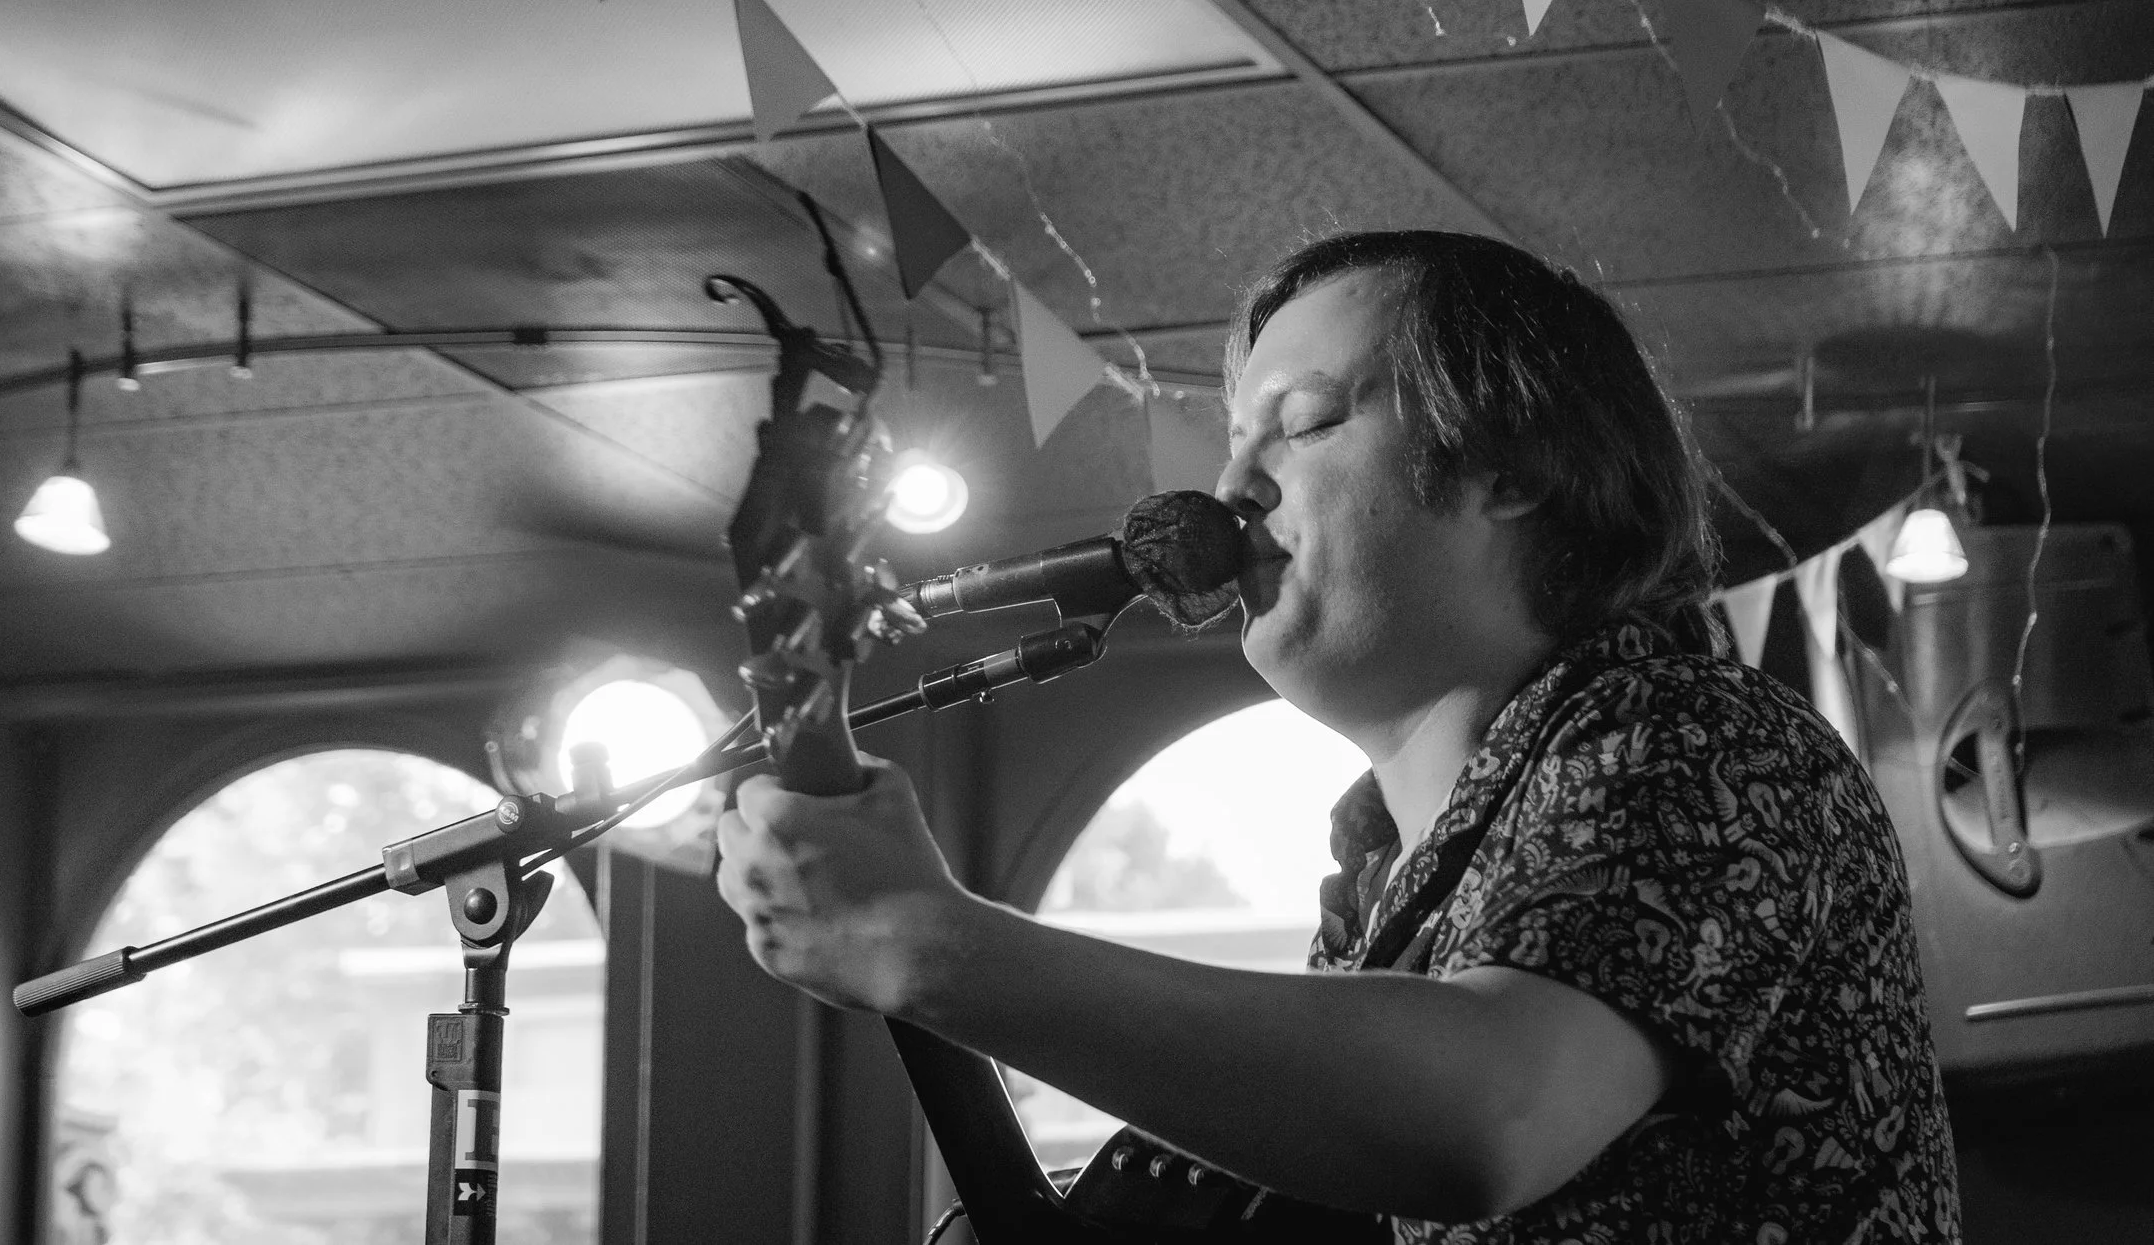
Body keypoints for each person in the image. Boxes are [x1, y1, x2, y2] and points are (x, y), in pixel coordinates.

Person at [713, 230, 1960, 1241]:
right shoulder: (1373, 885)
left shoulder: (1701, 739)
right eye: (1232, 440)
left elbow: (1486, 1114)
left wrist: (930, 941)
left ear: (1513, 467)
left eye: (1304, 422)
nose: (1228, 490)